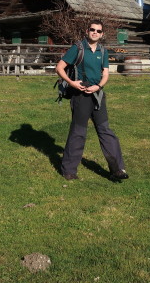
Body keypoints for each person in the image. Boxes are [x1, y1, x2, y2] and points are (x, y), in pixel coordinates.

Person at [55, 19, 128, 181]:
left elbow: (106, 73)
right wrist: (72, 83)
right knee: (78, 132)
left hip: (97, 94)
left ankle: (117, 169)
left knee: (106, 131)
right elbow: (59, 67)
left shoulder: (103, 51)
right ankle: (68, 170)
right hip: (80, 95)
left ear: (102, 34)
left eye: (98, 31)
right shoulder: (78, 48)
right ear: (87, 31)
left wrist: (99, 87)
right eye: (92, 29)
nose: (95, 32)